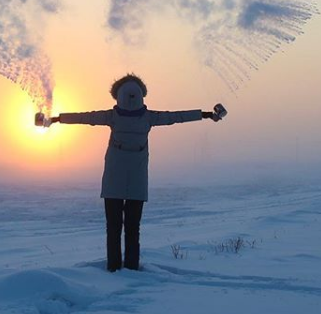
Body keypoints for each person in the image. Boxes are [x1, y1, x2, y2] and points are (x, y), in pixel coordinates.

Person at [35, 73, 226, 272]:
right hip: (137, 179)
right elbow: (177, 117)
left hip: (114, 179)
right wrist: (207, 115)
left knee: (114, 227)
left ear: (118, 95)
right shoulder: (149, 117)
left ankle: (114, 268)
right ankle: (131, 268)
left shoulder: (112, 116)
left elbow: (84, 117)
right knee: (133, 228)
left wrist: (54, 119)